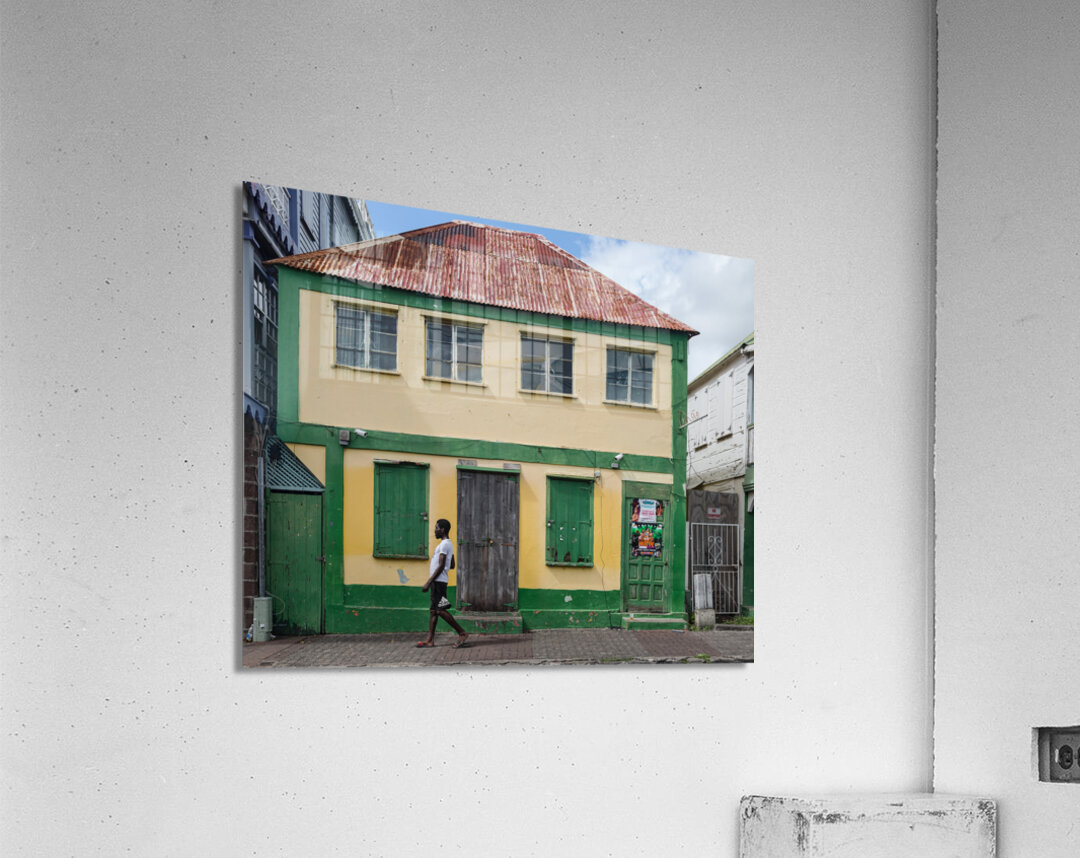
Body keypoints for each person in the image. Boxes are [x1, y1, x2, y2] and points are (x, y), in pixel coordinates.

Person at [416, 518, 469, 648]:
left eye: (436, 528)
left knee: (440, 610)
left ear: (442, 530)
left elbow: (441, 566)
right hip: (439, 582)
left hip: (438, 582)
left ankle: (462, 633)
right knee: (434, 611)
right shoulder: (446, 544)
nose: (435, 530)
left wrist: (429, 582)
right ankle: (430, 640)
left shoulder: (444, 544)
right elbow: (451, 564)